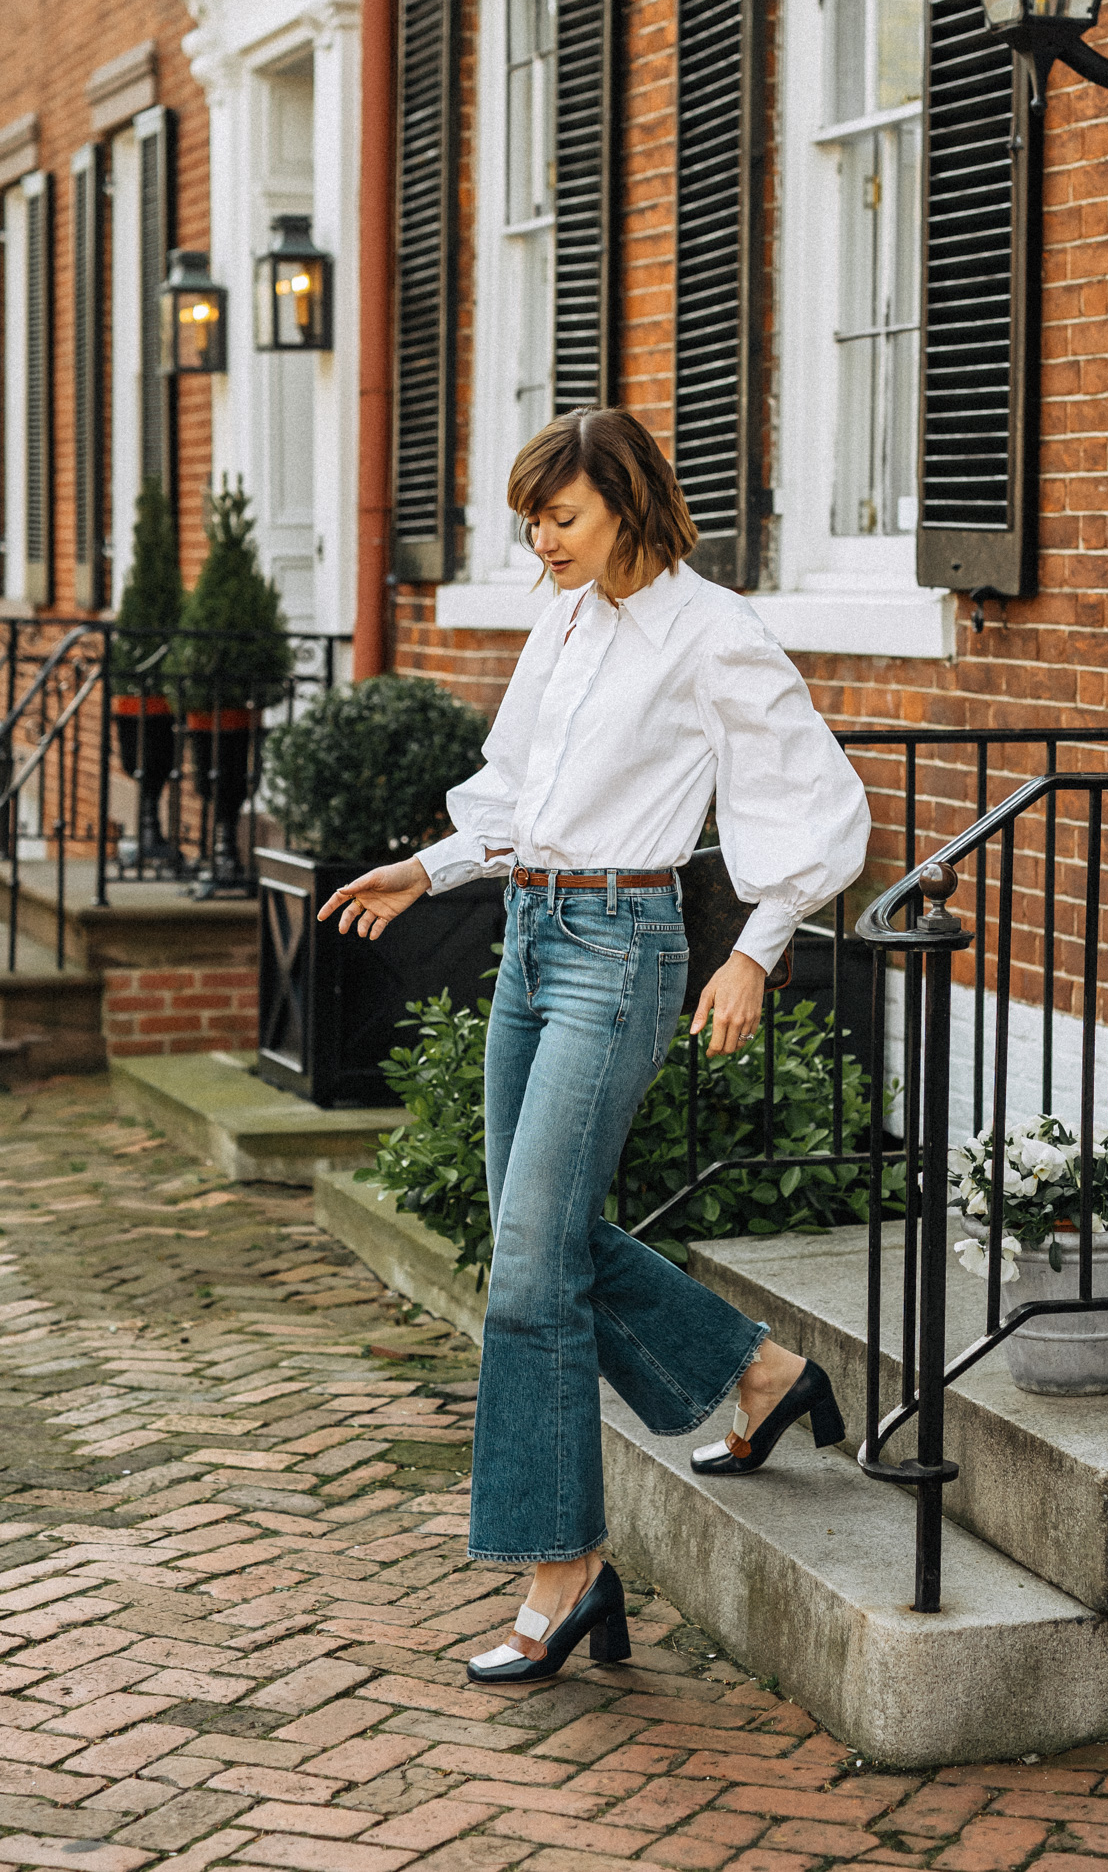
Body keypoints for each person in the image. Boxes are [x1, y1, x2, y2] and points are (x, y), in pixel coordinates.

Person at [317, 407, 871, 1683]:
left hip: (626, 951)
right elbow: (515, 791)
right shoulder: (565, 617)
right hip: (529, 936)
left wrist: (758, 948)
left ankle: (561, 1571)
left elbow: (815, 804)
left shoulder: (713, 633)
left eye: (558, 516)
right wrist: (425, 866)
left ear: (626, 501)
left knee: (528, 1273)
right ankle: (762, 1374)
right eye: (530, 520)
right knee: (538, 1237)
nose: (539, 541)